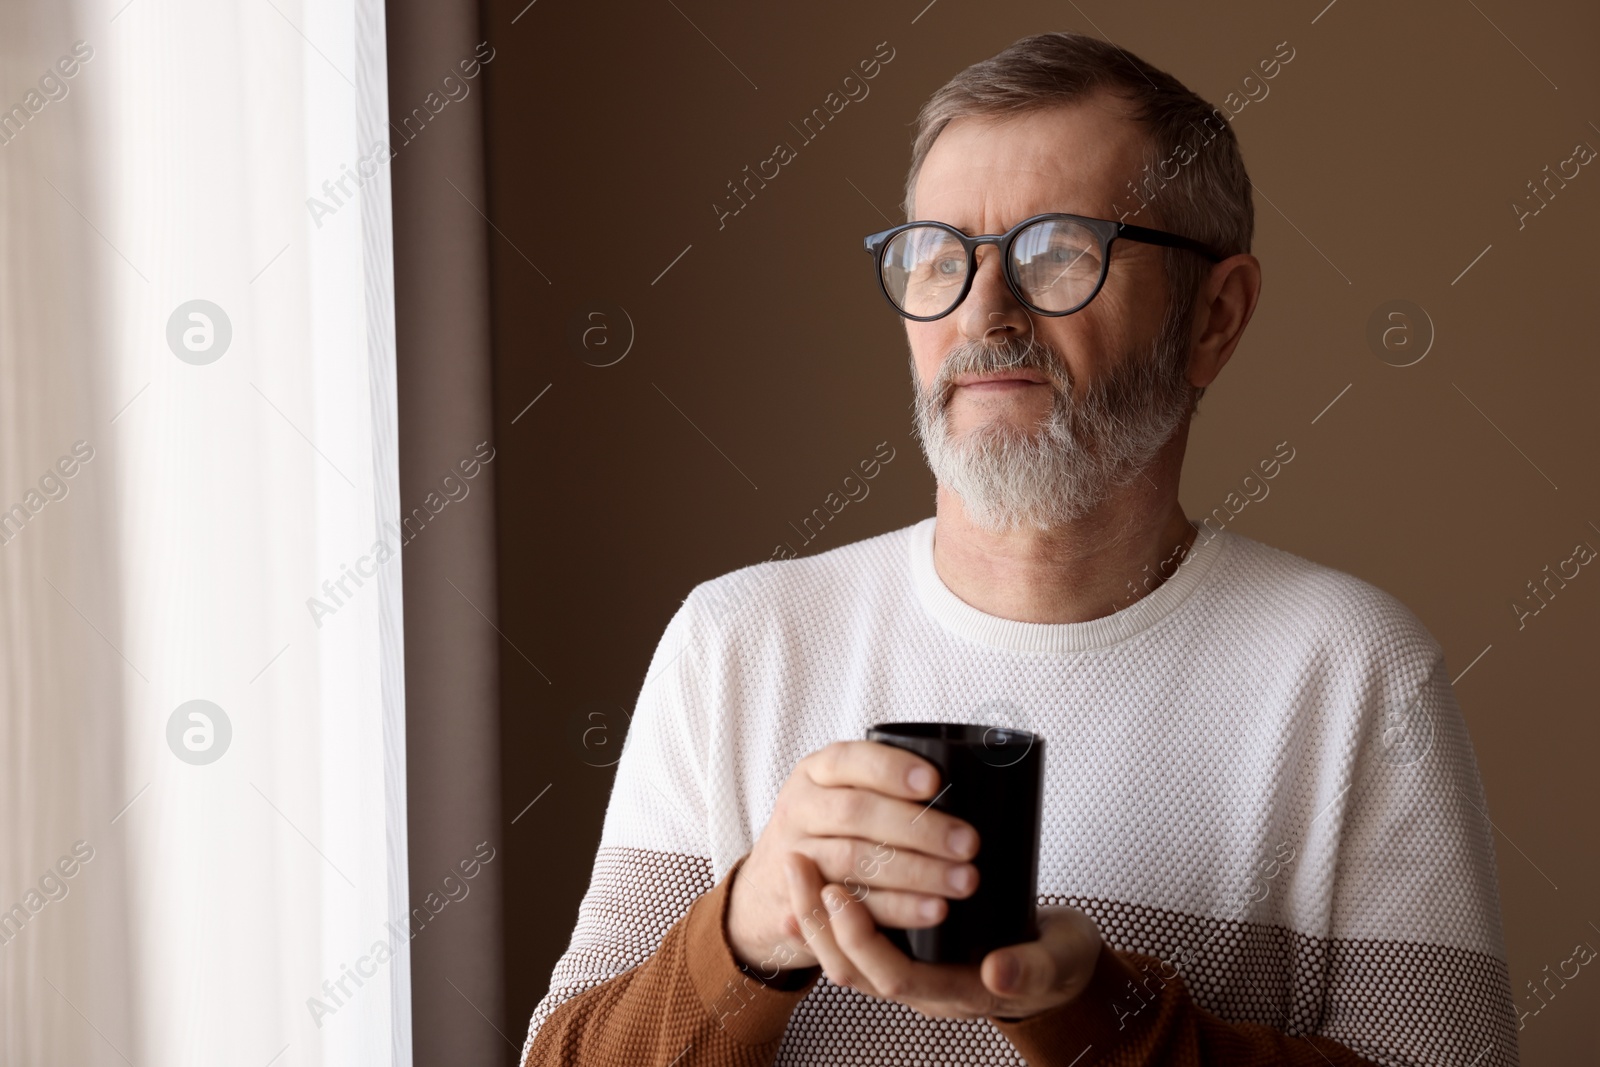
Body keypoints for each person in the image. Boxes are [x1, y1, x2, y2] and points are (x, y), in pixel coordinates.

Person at [520, 30, 1517, 1067]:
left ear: (1214, 317)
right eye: (938, 257)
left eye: (1058, 252)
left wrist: (1095, 1012)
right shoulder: (735, 643)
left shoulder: (1354, 671)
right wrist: (748, 930)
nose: (982, 313)